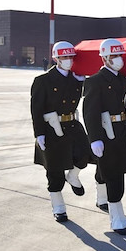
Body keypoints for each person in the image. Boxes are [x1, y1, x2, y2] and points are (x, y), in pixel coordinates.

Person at [31, 41, 90, 222]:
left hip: (72, 124)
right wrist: (39, 133)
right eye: (64, 57)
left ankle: (72, 176)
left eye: (71, 57)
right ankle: (59, 207)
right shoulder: (43, 81)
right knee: (54, 171)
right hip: (51, 129)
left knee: (85, 155)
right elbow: (36, 109)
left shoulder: (77, 79)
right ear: (55, 58)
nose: (68, 61)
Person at [82, 38, 126, 235]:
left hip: (124, 132)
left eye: (120, 55)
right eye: (114, 56)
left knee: (115, 169)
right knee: (114, 175)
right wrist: (94, 138)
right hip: (107, 133)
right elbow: (90, 112)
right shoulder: (95, 81)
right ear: (104, 58)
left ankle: (101, 190)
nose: (118, 59)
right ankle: (117, 217)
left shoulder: (125, 81)